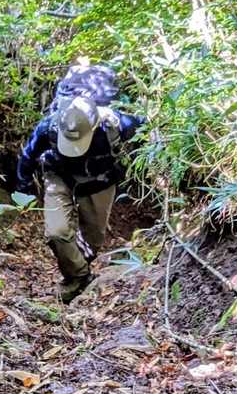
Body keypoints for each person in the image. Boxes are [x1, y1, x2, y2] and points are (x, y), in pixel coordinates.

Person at [15, 62, 143, 304]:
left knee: (92, 241)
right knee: (57, 233)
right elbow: (28, 156)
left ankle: (79, 270)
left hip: (99, 179)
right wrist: (24, 189)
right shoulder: (50, 125)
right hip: (58, 175)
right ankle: (79, 278)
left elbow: (148, 129)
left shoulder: (117, 124)